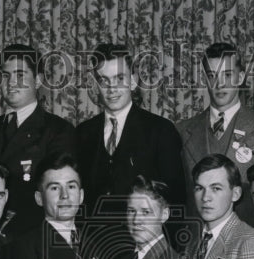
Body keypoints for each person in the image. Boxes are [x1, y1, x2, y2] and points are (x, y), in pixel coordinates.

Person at [176, 42, 254, 224]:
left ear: (241, 77)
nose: (220, 84)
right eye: (212, 76)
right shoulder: (181, 131)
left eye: (227, 75)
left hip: (247, 241)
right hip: (195, 243)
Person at [0, 43, 76, 237]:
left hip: (34, 237)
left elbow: (56, 195)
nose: (11, 82)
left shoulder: (58, 131)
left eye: (20, 75)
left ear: (37, 81)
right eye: (6, 76)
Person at [76, 43, 185, 218]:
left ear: (133, 81)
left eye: (119, 78)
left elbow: (176, 200)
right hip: (93, 242)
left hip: (143, 241)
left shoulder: (161, 131)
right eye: (104, 80)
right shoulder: (82, 134)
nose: (112, 89)